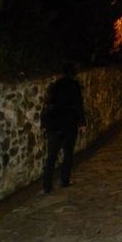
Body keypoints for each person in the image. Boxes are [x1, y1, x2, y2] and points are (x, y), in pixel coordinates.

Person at [41, 63, 86, 193]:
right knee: (68, 153)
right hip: (68, 123)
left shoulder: (54, 86)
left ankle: (47, 185)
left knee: (52, 155)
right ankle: (65, 180)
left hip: (53, 124)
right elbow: (78, 104)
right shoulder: (74, 85)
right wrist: (81, 123)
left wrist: (45, 123)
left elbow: (47, 104)